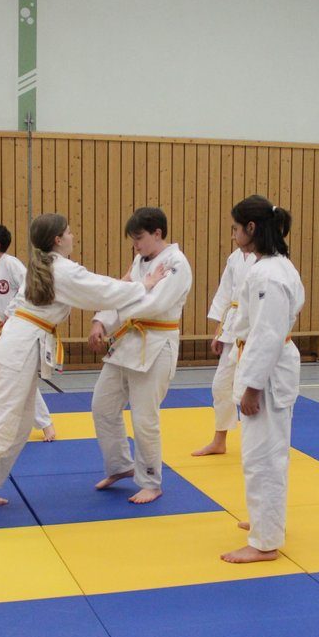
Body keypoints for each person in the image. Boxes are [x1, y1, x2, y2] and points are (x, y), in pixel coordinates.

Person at [0, 213, 169, 536]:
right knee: (1, 425)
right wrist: (145, 284)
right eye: (69, 232)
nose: (73, 236)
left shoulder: (47, 266)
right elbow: (101, 291)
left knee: (22, 424)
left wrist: (129, 281)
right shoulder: (60, 269)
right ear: (57, 239)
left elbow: (99, 286)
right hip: (19, 347)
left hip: (20, 343)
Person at [219, 196, 305, 564]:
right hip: (266, 366)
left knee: (263, 458)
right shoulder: (272, 266)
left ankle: (265, 542)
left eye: (236, 228)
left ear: (251, 229)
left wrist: (252, 387)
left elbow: (267, 334)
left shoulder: (269, 275)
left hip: (267, 376)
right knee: (264, 454)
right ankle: (264, 521)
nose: (234, 235)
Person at [88, 207, 192, 504]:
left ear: (157, 233)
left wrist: (133, 294)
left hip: (156, 344)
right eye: (133, 240)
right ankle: (120, 465)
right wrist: (100, 320)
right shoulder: (140, 261)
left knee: (145, 418)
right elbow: (121, 290)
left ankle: (151, 481)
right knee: (102, 406)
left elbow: (154, 304)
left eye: (139, 238)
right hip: (127, 342)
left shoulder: (176, 263)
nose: (135, 245)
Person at [0, 223, 57, 442]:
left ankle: (45, 423)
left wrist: (6, 315)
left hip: (11, 329)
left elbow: (27, 289)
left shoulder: (11, 264)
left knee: (21, 380)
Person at [191, 244, 255, 457]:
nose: (234, 235)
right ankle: (219, 441)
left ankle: (254, 443)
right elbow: (225, 295)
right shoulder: (235, 257)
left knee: (247, 389)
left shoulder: (268, 257)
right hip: (232, 325)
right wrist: (219, 331)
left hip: (254, 328)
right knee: (220, 386)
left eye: (237, 229)